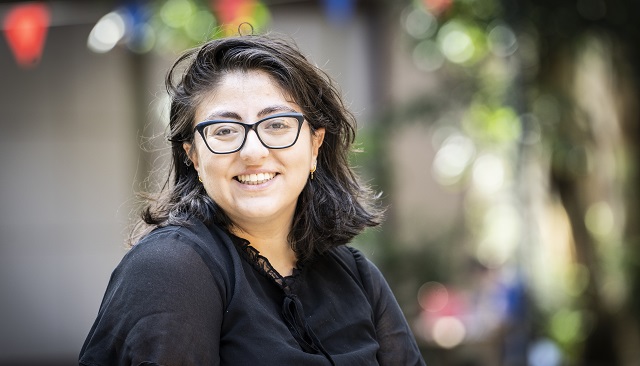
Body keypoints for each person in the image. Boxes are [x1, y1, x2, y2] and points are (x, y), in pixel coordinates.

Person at [79, 32, 426, 366]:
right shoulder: (171, 268)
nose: (253, 151)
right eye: (225, 131)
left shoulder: (357, 276)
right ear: (194, 157)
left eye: (276, 125)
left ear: (315, 146)